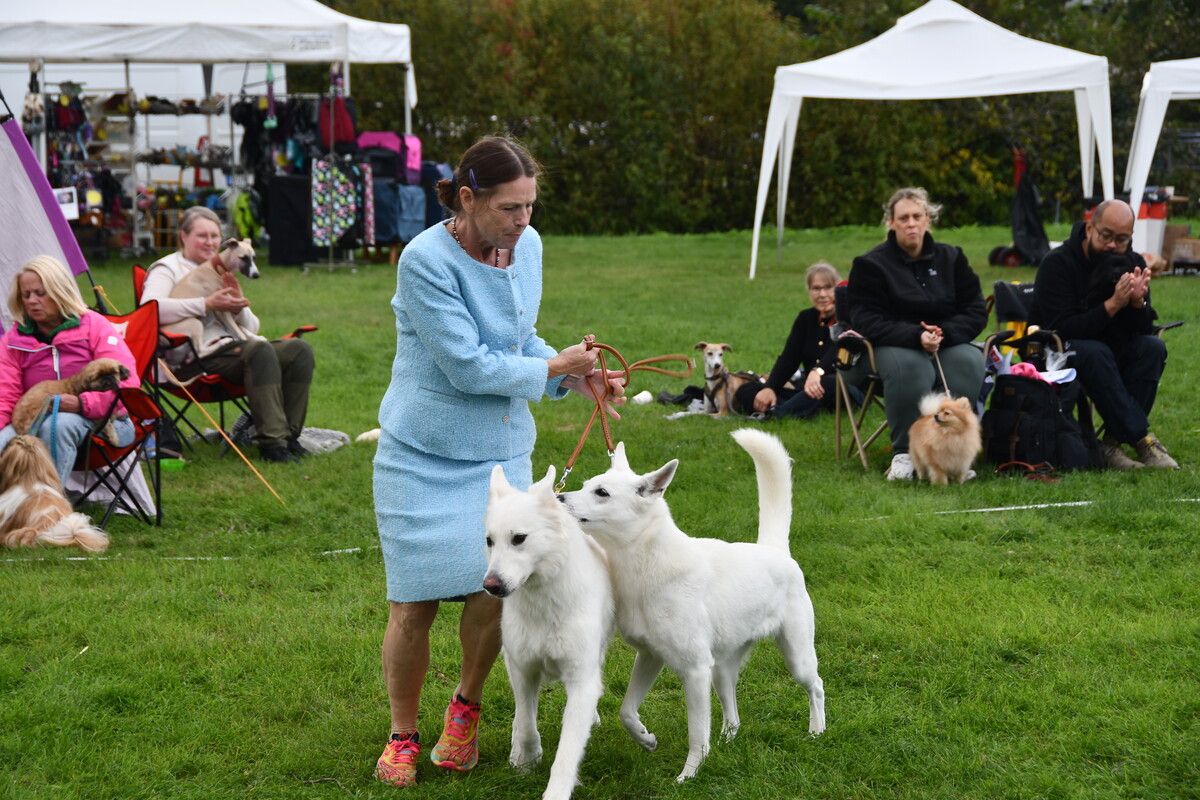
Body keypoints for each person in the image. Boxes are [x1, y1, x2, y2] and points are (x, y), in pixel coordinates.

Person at [371, 136, 624, 788]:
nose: (522, 220)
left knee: (493, 590)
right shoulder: (424, 261)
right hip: (421, 455)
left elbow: (516, 340)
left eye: (530, 206)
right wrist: (555, 367)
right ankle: (402, 733)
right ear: (467, 199)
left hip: (500, 451)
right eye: (510, 207)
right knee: (412, 606)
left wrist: (579, 380)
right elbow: (466, 365)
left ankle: (466, 708)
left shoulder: (528, 246)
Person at [141, 206, 314, 463]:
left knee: (298, 350)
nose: (210, 242)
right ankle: (272, 444)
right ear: (184, 236)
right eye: (202, 235)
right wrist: (205, 304)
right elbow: (148, 309)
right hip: (191, 357)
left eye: (215, 236)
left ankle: (289, 436)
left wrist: (238, 305)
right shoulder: (167, 268)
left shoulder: (222, 268)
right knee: (259, 351)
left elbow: (252, 327)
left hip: (232, 347)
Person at [846, 187, 988, 480]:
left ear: (927, 219)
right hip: (887, 344)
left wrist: (945, 333)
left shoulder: (952, 257)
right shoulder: (869, 264)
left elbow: (975, 310)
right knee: (911, 366)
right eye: (903, 218)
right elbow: (865, 319)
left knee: (969, 360)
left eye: (917, 216)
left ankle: (952, 452)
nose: (911, 223)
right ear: (891, 222)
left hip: (944, 341)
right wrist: (915, 336)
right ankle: (905, 453)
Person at [1030, 199, 1177, 470]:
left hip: (1112, 349)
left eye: (1121, 239)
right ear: (1089, 229)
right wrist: (1113, 305)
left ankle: (1111, 443)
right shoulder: (1057, 263)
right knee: (1095, 352)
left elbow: (1144, 328)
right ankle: (1142, 438)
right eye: (1106, 236)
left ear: (1131, 237)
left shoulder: (1133, 262)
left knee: (1152, 347)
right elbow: (1064, 327)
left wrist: (1138, 303)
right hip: (1059, 350)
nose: (1111, 245)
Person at [0, 255, 139, 483]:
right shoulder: (13, 341)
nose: (32, 301)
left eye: (40, 293)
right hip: (33, 422)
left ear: (59, 291)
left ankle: (50, 502)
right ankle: (15, 502)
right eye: (26, 295)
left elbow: (127, 383)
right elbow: (5, 396)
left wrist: (82, 404)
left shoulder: (95, 325)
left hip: (108, 421)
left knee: (59, 425)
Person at [735, 261, 860, 419]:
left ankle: (777, 415)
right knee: (747, 390)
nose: (822, 294)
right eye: (816, 288)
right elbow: (789, 359)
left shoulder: (850, 316)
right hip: (809, 388)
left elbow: (839, 351)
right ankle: (796, 408)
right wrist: (770, 387)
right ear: (809, 291)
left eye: (828, 287)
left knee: (829, 383)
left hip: (844, 387)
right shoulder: (805, 318)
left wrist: (817, 371)